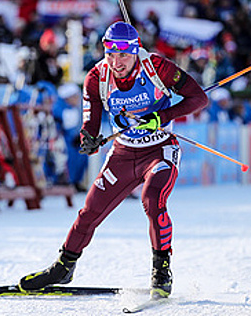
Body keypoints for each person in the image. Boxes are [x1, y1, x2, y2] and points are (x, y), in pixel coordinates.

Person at [19, 21, 208, 299]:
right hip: (122, 154)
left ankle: (161, 270)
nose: (116, 61)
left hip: (159, 150)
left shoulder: (157, 67)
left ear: (135, 51)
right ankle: (64, 267)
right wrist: (88, 138)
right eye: (110, 54)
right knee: (90, 211)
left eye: (123, 55)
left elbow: (198, 98)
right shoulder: (97, 77)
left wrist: (160, 117)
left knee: (152, 200)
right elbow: (90, 120)